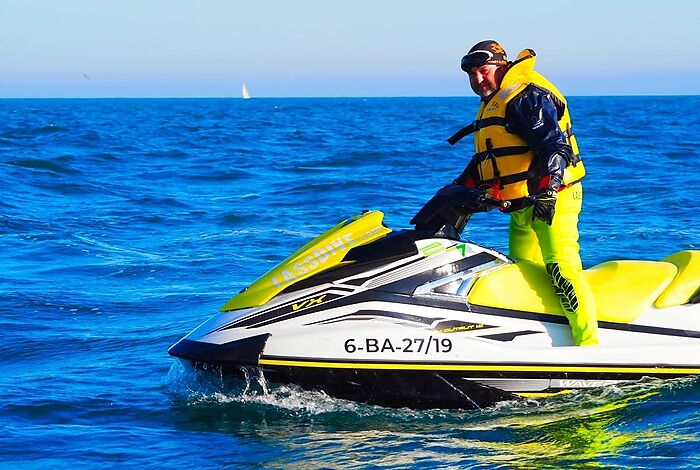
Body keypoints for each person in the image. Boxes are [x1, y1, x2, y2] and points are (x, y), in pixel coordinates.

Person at [448, 40, 598, 346]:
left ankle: (588, 343)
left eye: (484, 71)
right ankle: (543, 337)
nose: (478, 80)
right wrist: (454, 195)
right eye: (472, 74)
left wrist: (549, 190)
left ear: (502, 66)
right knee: (523, 274)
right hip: (521, 205)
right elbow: (489, 161)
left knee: (560, 269)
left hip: (553, 198)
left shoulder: (525, 96)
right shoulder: (497, 101)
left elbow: (554, 146)